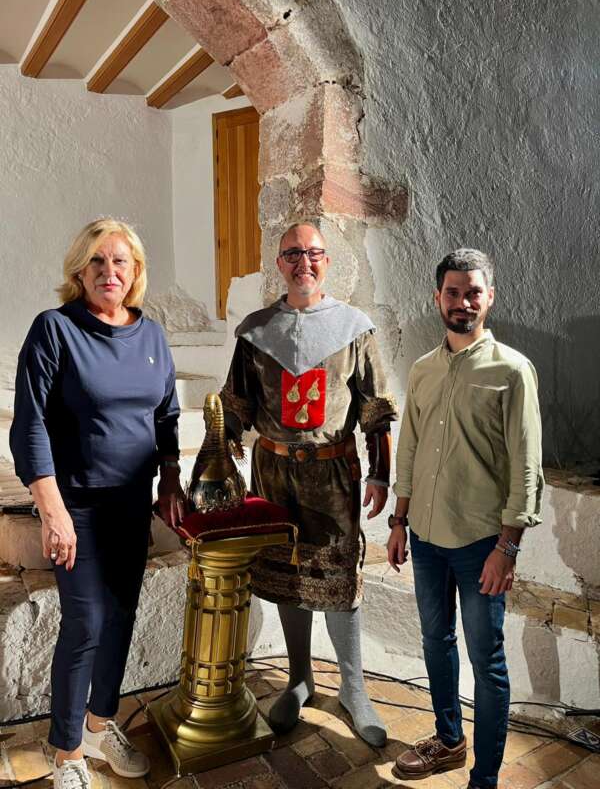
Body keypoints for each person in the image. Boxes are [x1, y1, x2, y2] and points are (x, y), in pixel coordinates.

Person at [10, 219, 186, 789]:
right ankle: (66, 753)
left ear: (135, 273)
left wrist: (169, 481)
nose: (109, 272)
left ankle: (98, 725)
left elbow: (166, 416)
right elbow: (29, 425)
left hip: (131, 506)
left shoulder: (151, 336)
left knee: (120, 619)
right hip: (76, 507)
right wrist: (52, 509)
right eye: (98, 261)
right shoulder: (56, 329)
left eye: (120, 262)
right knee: (85, 622)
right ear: (79, 271)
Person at [219, 222, 398, 747]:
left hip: (332, 476)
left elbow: (374, 409)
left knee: (339, 580)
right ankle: (299, 679)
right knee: (286, 573)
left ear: (327, 261)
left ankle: (353, 689)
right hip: (273, 474)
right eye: (293, 254)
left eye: (314, 253)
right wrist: (218, 455)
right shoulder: (256, 331)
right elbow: (236, 405)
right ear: (280, 263)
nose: (304, 263)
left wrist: (380, 473)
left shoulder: (354, 328)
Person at [388, 249, 543, 788]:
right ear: (438, 298)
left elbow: (527, 465)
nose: (462, 302)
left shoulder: (513, 370)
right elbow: (409, 448)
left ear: (489, 298)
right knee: (435, 642)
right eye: (452, 292)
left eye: (473, 292)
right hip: (426, 538)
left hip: (482, 544)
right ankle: (449, 740)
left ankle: (485, 779)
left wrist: (508, 548)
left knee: (487, 661)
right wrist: (398, 521)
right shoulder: (423, 370)